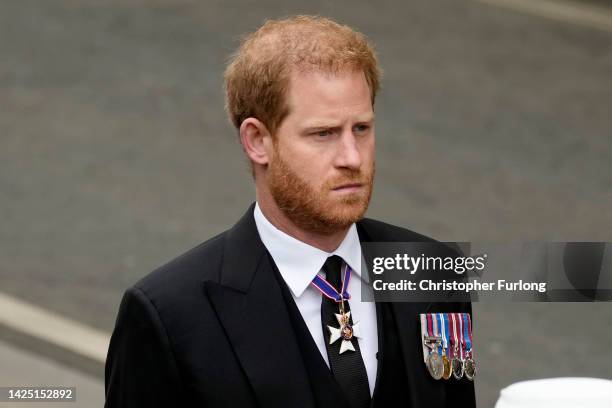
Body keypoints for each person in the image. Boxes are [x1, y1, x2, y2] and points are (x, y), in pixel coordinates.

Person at [104, 15, 475, 408]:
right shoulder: (170, 316)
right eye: (324, 133)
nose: (352, 157)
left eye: (362, 129)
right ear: (258, 141)